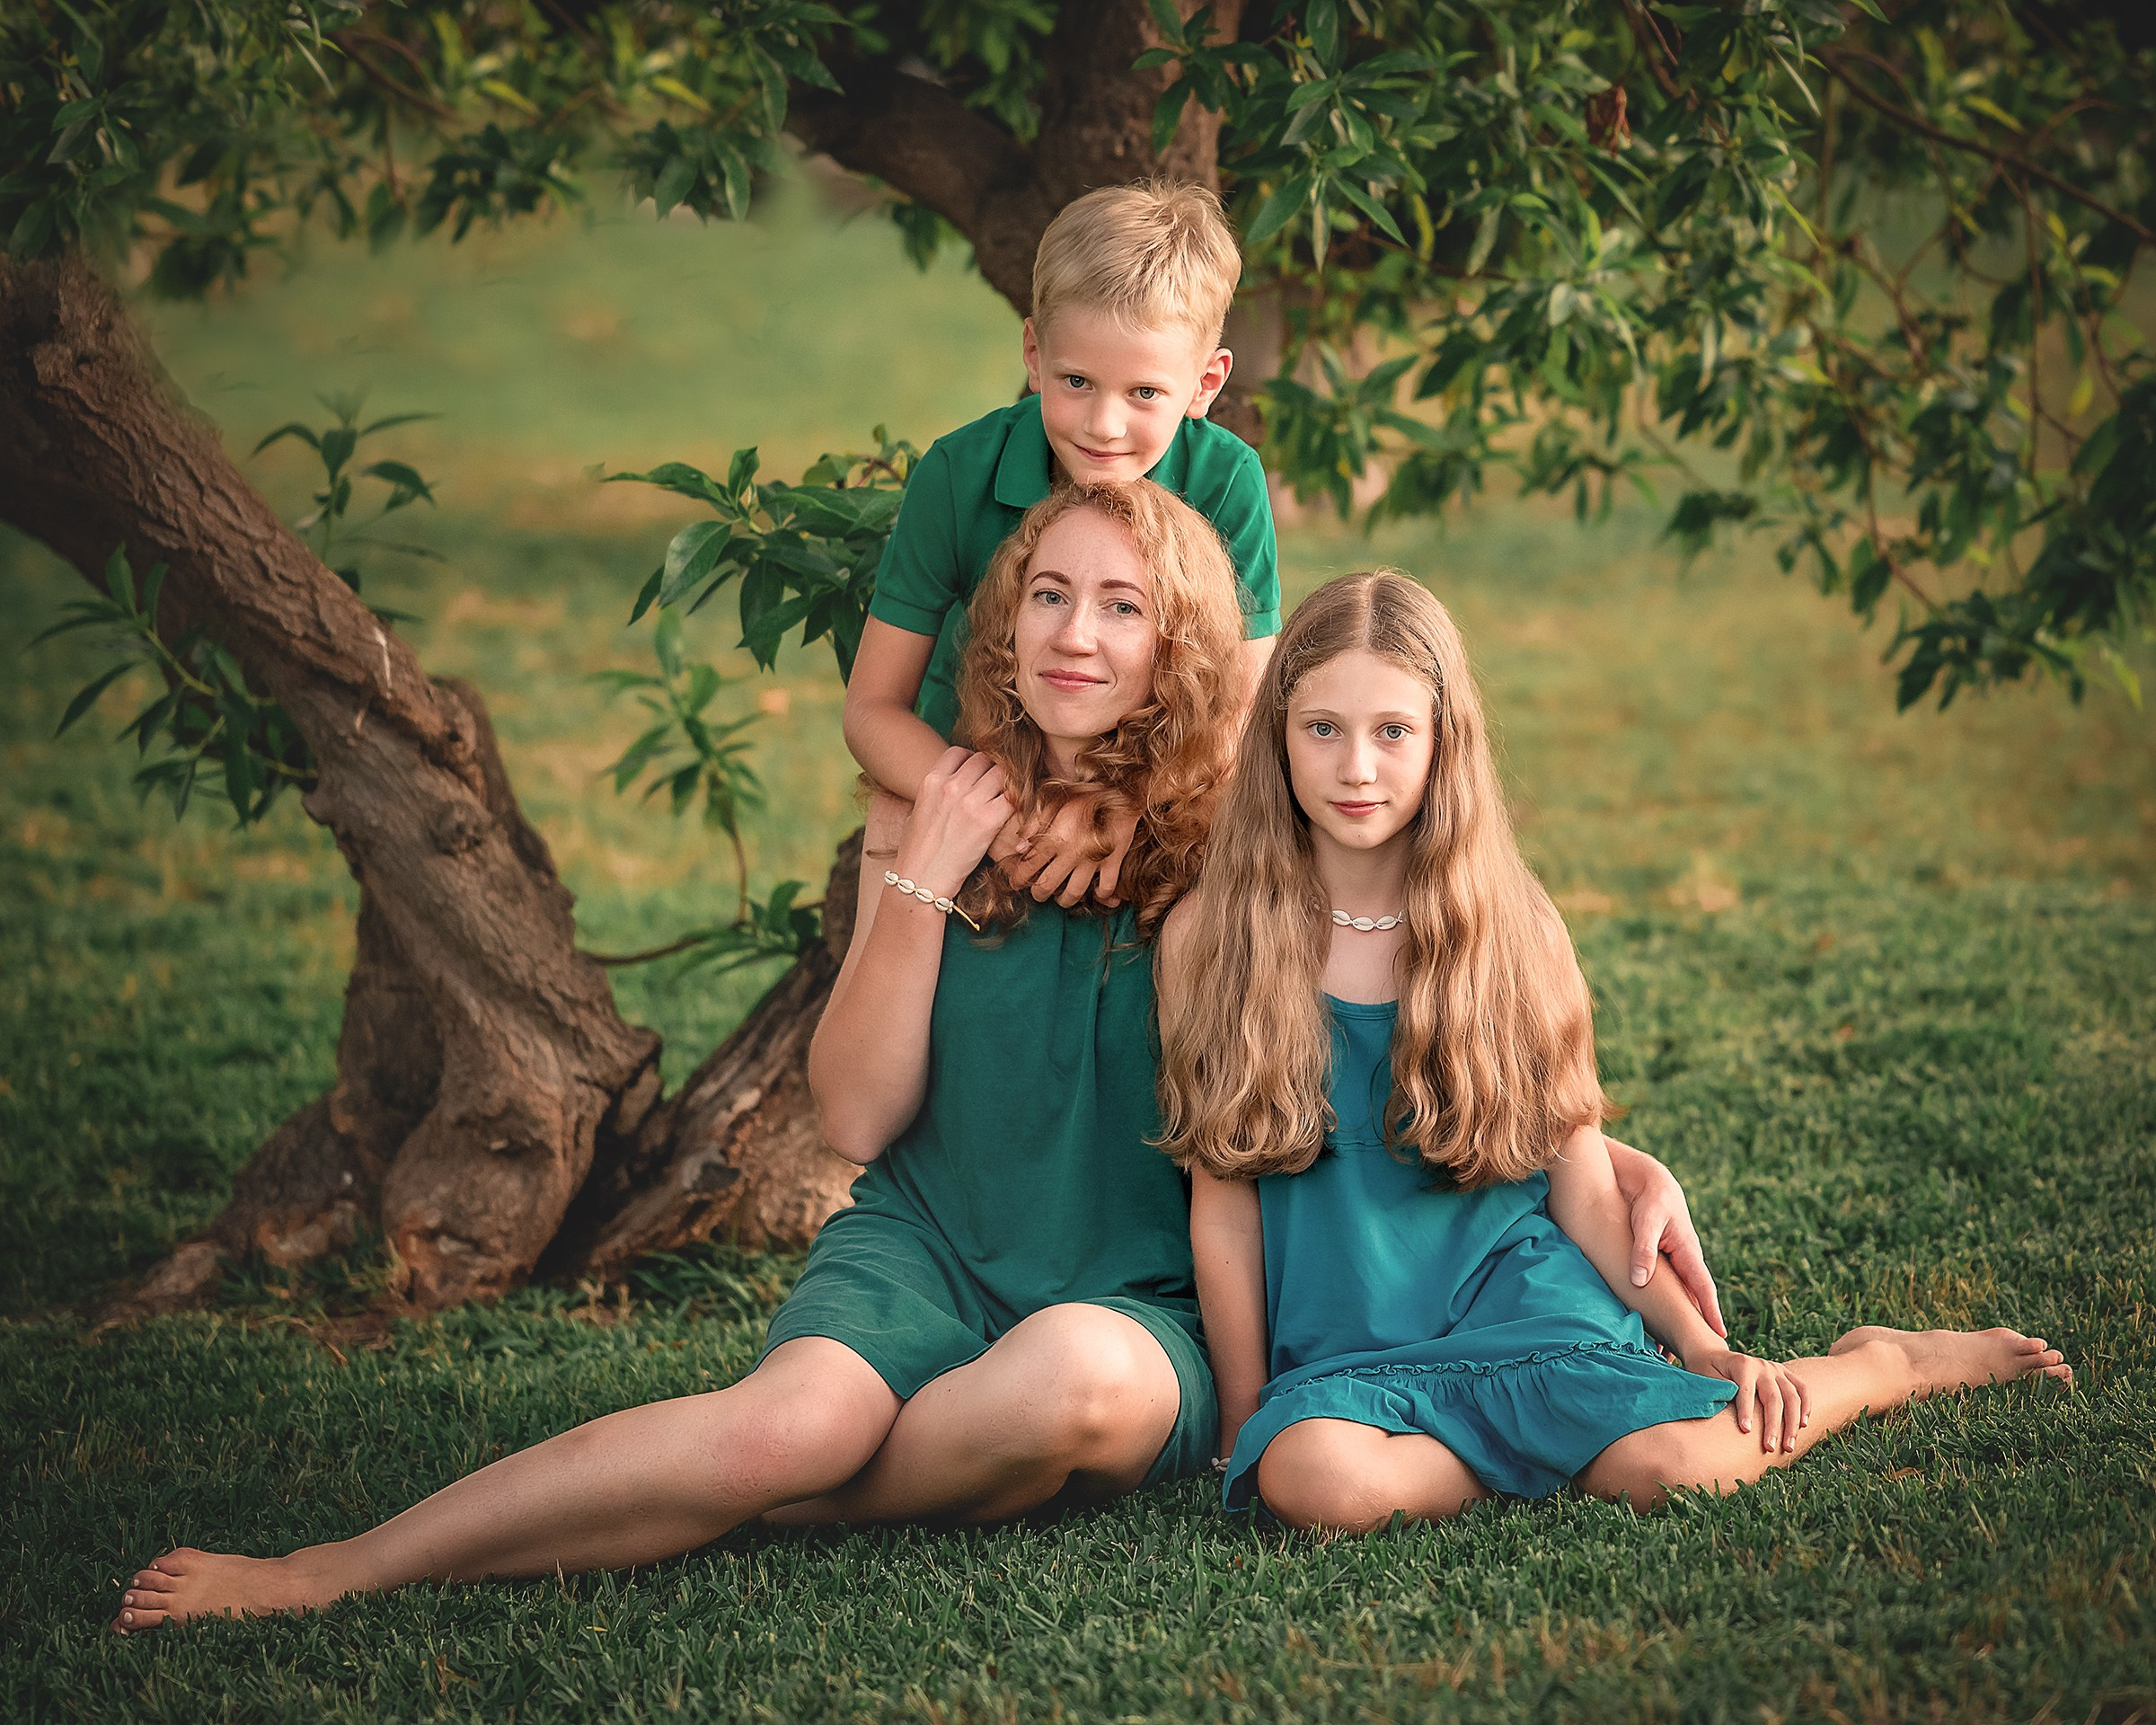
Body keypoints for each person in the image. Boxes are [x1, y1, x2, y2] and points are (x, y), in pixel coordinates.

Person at [108, 497, 1712, 1633]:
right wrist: (926, 876)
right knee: (773, 1426)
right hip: (936, 1240)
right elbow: (860, 1114)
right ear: (1004, 627)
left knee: (1068, 1385)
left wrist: (1607, 1162)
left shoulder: (1247, 834)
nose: (1081, 635)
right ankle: (342, 1566)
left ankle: (745, 1512)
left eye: (1127, 603)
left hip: (1137, 1299)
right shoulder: (929, 810)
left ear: (1190, 642)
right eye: (1050, 597)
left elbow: (1432, 993)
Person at [1156, 571, 2073, 1532]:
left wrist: (1700, 1345)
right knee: (1320, 1484)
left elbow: (1584, 1186)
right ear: (1278, 738)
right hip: (1345, 1347)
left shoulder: (1515, 931)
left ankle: (1878, 1367)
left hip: (1521, 1308)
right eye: (1323, 729)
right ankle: (1550, 1454)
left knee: (1681, 1467)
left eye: (1394, 732)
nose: (1357, 769)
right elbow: (1224, 1204)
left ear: (1444, 743)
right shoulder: (1212, 940)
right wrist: (1244, 1408)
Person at [843, 179, 1278, 910]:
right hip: (984, 804)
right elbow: (873, 710)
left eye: (1144, 394)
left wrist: (1118, 805)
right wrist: (1008, 815)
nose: (1104, 425)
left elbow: (1244, 707)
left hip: (1158, 812)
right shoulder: (958, 474)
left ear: (1205, 383)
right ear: (1034, 352)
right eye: (1076, 381)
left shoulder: (1226, 479)